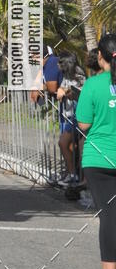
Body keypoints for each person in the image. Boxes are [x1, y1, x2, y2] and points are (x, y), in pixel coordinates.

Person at [76, 33, 116, 269]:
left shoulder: (92, 85)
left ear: (100, 56)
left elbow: (83, 124)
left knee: (109, 216)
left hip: (99, 159)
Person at [56, 51, 86, 186]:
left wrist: (67, 92)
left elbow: (80, 92)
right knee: (67, 144)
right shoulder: (66, 74)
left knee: (66, 143)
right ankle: (72, 173)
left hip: (79, 115)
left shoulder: (79, 75)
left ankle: (77, 176)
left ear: (67, 63)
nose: (58, 65)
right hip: (70, 115)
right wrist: (62, 90)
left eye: (60, 62)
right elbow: (62, 88)